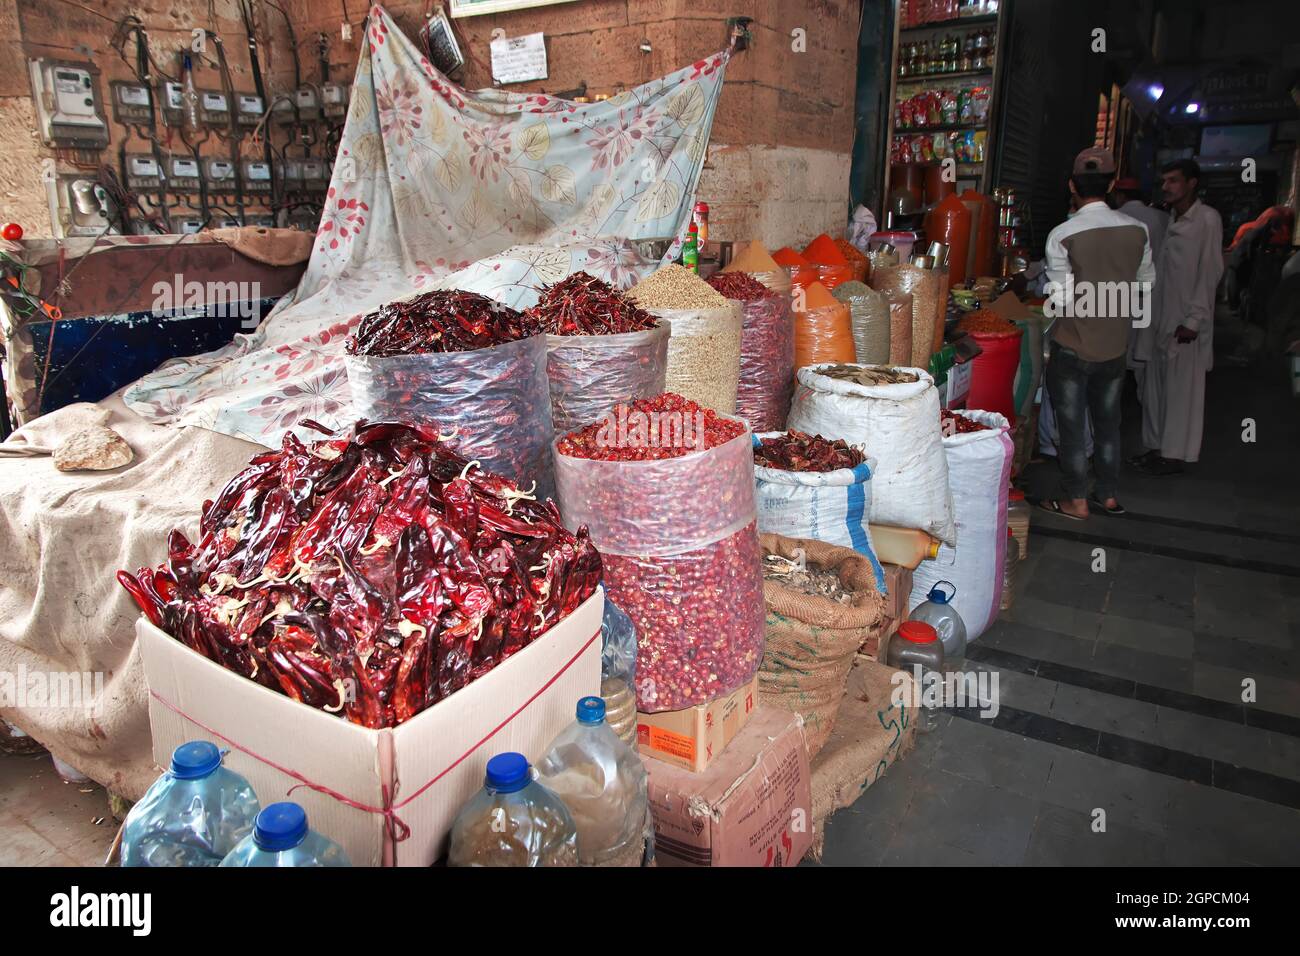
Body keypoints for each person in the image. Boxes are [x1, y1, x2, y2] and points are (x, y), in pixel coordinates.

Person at [1038, 148, 1156, 520]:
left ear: (1072, 185)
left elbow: (1059, 296)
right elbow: (1146, 285)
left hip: (1073, 345)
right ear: (1111, 184)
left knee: (1072, 426)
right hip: (1114, 345)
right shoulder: (1137, 230)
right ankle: (1106, 495)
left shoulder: (1064, 234)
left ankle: (1074, 499)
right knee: (1109, 424)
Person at [1129, 159, 1224, 475]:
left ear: (1192, 183)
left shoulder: (1207, 219)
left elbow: (1209, 272)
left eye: (1173, 181)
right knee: (1155, 390)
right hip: (1159, 316)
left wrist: (1194, 320)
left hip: (1185, 321)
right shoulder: (1171, 219)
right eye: (1164, 181)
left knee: (1182, 392)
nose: (1166, 186)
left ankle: (1174, 454)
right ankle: (1156, 448)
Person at [1112, 178, 1168, 387]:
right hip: (1154, 293)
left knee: (1121, 349)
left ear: (1119, 196)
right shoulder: (1163, 218)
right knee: (1145, 353)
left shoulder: (1116, 218)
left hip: (1121, 293)